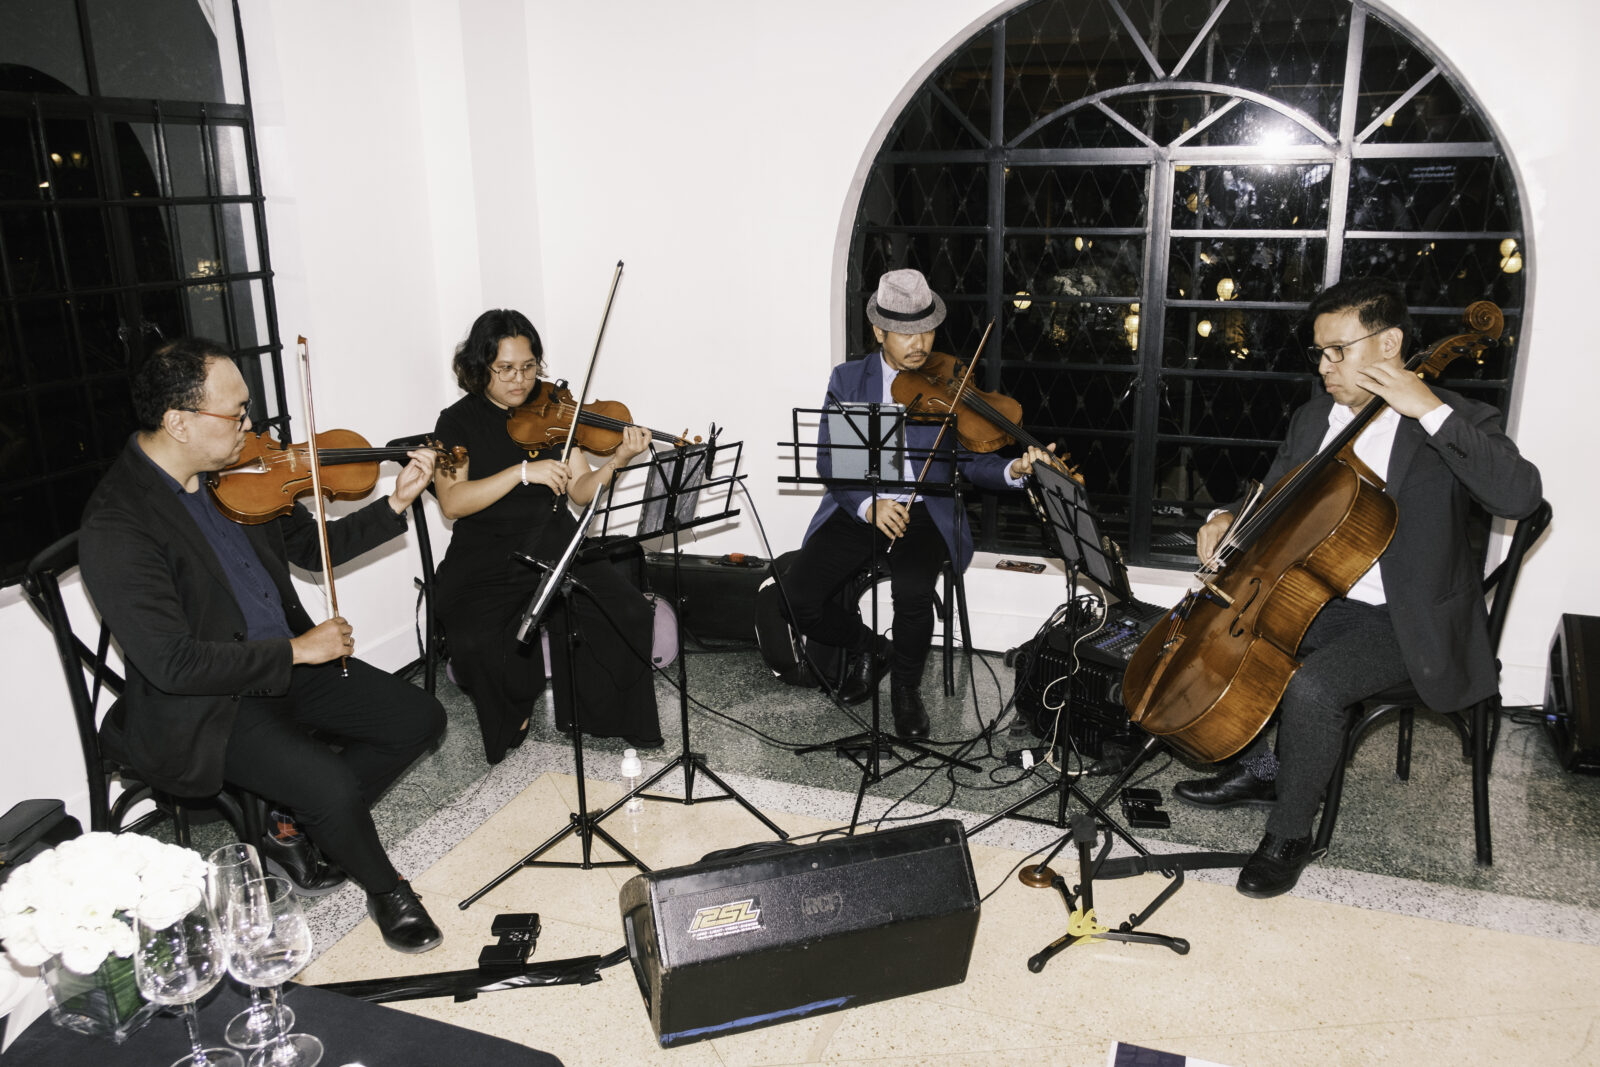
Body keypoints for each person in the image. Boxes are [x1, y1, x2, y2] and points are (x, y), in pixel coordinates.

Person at [1174, 276, 1543, 898]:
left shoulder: (1455, 418)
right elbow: (1270, 494)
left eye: (1337, 351)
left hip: (1406, 618)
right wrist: (1224, 518)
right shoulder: (1315, 416)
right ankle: (1265, 765)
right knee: (1233, 630)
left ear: (1390, 342)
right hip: (1319, 597)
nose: (1324, 367)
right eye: (1319, 352)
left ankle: (1290, 834)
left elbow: (1520, 494)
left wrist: (1426, 408)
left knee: (1315, 686)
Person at [79, 338, 447, 954]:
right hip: (212, 701)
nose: (251, 427)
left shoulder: (235, 477)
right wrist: (299, 652)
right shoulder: (118, 524)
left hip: (286, 661)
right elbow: (174, 663)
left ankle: (289, 820)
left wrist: (397, 502)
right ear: (178, 422)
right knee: (329, 785)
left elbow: (308, 548)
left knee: (419, 719)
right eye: (237, 413)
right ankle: (388, 890)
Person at [787, 269, 1054, 739]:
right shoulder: (849, 379)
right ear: (879, 332)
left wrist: (1012, 471)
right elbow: (830, 459)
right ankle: (874, 649)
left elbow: (971, 463)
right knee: (798, 599)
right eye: (906, 333)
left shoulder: (949, 383)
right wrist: (869, 505)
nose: (920, 343)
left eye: (927, 329)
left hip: (927, 512)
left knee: (911, 594)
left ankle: (906, 692)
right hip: (863, 508)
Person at [432, 309, 662, 764]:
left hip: (554, 538)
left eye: (530, 366)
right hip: (486, 549)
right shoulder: (455, 422)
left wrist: (617, 461)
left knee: (628, 609)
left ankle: (604, 718)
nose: (520, 380)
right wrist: (522, 472)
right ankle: (515, 709)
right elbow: (452, 502)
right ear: (482, 367)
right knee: (477, 639)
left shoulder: (553, 410)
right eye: (506, 369)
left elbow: (579, 488)